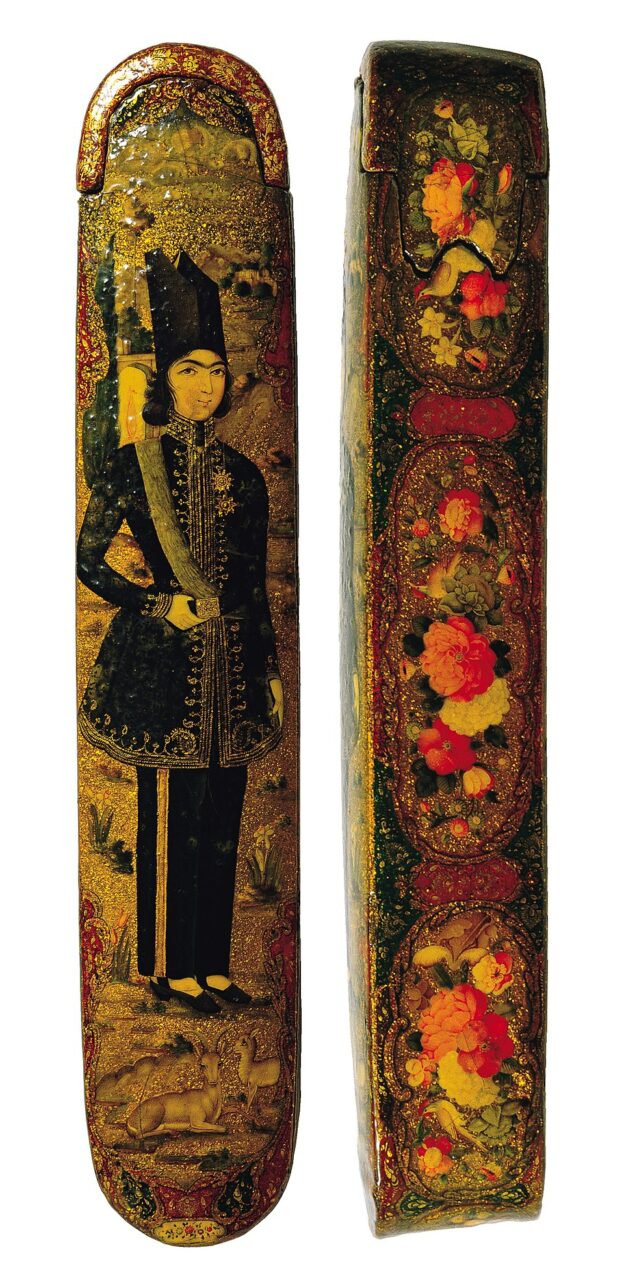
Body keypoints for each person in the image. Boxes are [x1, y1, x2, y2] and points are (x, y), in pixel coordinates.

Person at [78, 249, 283, 1014]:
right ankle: (170, 970)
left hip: (232, 668)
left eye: (216, 372)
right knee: (175, 814)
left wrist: (268, 670)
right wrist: (154, 604)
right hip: (160, 667)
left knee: (222, 811)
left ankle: (213, 967)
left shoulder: (246, 476)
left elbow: (254, 587)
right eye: (190, 370)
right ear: (165, 378)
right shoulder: (134, 467)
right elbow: (86, 559)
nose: (204, 386)